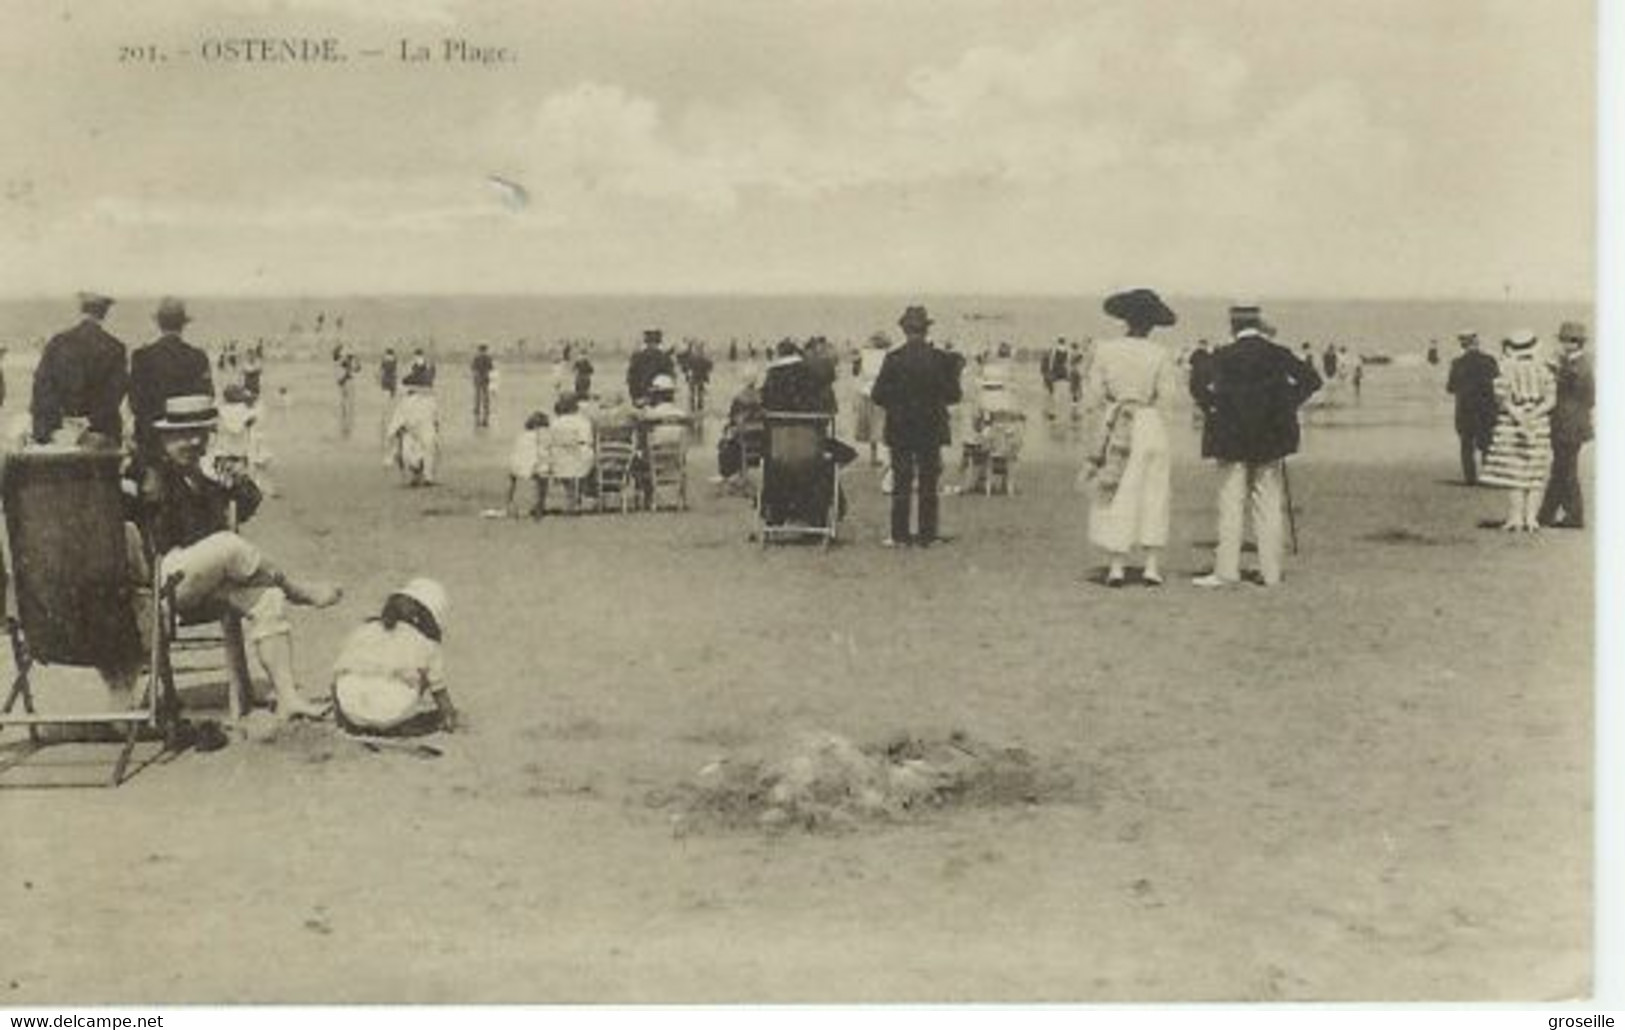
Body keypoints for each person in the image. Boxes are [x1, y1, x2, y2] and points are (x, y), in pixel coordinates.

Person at [131, 394, 339, 719]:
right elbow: (143, 501)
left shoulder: (200, 473)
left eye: (201, 433)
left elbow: (247, 507)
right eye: (183, 435)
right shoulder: (153, 471)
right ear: (164, 437)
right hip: (159, 582)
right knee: (227, 545)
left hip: (200, 578)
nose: (194, 442)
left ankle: (288, 697)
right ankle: (296, 588)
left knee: (266, 597)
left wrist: (235, 482)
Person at [1192, 303, 1321, 588]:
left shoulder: (1222, 355)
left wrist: (1212, 406)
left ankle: (1226, 571)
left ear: (1233, 325)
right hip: (1271, 435)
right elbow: (1313, 380)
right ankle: (1271, 572)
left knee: (1231, 503)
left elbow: (1197, 383)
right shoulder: (1277, 353)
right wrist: (1286, 403)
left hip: (1230, 435)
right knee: (1268, 503)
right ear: (1259, 323)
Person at [1078, 289, 1178, 587]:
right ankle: (1150, 565)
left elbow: (1093, 395)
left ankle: (1117, 566)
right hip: (1149, 422)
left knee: (1116, 489)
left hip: (1117, 418)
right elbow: (1168, 399)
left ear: (1125, 320)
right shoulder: (1160, 353)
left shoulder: (1106, 349)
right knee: (1153, 491)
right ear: (1152, 325)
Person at [870, 305, 962, 547]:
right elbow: (954, 395)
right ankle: (926, 535)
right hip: (930, 426)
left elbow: (878, 395)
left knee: (901, 480)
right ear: (926, 329)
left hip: (900, 426)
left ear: (904, 330)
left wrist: (898, 402)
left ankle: (899, 535)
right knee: (928, 482)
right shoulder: (940, 359)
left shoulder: (894, 359)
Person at [331, 579, 459, 737]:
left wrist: (342, 715)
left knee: (355, 669)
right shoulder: (427, 644)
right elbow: (440, 693)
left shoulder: (366, 629)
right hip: (390, 715)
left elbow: (338, 673)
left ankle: (358, 720)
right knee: (423, 671)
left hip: (351, 709)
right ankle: (394, 722)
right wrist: (449, 716)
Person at [31, 291, 128, 449]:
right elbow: (115, 394)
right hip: (101, 433)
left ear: (82, 309)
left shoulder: (57, 343)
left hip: (61, 433)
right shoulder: (115, 348)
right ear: (104, 312)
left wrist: (55, 427)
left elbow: (42, 388)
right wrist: (89, 422)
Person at [1479, 330, 1555, 532]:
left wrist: (1520, 419)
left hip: (1511, 425)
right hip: (1539, 424)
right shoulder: (1545, 370)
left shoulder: (1505, 370)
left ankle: (1515, 518)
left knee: (1515, 475)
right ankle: (1532, 519)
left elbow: (1502, 401)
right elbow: (1551, 400)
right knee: (1535, 474)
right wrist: (1533, 416)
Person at [130, 297, 214, 458]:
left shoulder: (142, 356)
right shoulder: (198, 356)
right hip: (189, 437)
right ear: (183, 325)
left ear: (159, 323)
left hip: (151, 437)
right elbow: (207, 396)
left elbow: (135, 403)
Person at [1537, 321, 1594, 529]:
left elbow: (1579, 392)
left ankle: (1572, 516)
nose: (1561, 343)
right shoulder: (1579, 363)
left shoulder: (1577, 366)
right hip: (1573, 424)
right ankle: (1547, 513)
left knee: (1565, 470)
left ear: (1574, 343)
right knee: (1562, 469)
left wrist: (1555, 371)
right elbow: (1590, 400)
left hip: (1568, 425)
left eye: (1564, 340)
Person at [1445, 330, 1500, 485]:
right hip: (1486, 409)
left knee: (1466, 447)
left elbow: (1450, 388)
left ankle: (1470, 479)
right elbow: (1498, 383)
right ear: (1477, 342)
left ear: (1462, 344)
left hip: (1465, 410)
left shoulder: (1457, 363)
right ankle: (1488, 476)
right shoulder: (1490, 360)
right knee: (1487, 444)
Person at [385, 367, 440, 486]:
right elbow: (435, 419)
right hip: (421, 431)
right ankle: (426, 476)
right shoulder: (429, 399)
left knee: (412, 454)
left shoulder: (408, 401)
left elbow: (397, 421)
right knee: (425, 452)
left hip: (415, 431)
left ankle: (422, 475)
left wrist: (393, 434)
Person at [547, 393, 596, 512]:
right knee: (588, 455)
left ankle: (572, 497)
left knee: (565, 464)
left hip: (559, 460)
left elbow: (550, 441)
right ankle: (580, 496)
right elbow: (587, 440)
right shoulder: (582, 422)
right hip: (578, 458)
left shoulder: (555, 423)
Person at [853, 332, 891, 466]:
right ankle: (882, 456)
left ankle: (873, 456)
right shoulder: (888, 355)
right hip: (882, 393)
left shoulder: (864, 355)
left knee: (870, 427)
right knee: (881, 425)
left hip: (866, 392)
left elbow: (856, 372)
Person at [506, 411, 550, 518]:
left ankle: (509, 502)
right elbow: (543, 454)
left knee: (511, 476)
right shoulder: (543, 437)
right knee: (544, 474)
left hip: (516, 467)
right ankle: (540, 505)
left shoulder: (521, 436)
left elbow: (516, 453)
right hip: (533, 468)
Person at [627, 329, 676, 406]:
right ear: (647, 343)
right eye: (650, 342)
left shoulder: (665, 358)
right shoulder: (638, 358)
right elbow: (632, 379)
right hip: (642, 397)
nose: (652, 345)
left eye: (655, 343)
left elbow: (670, 380)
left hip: (660, 398)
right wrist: (636, 397)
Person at [335, 346, 363, 439]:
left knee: (345, 407)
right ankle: (346, 429)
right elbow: (357, 369)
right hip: (346, 384)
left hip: (345, 384)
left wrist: (355, 360)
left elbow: (358, 369)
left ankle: (346, 429)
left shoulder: (343, 362)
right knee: (347, 407)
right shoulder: (342, 362)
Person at [470, 344, 495, 429]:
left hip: (478, 379)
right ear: (485, 350)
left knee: (477, 396)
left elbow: (472, 368)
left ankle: (477, 410)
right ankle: (486, 410)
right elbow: (491, 368)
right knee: (485, 396)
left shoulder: (476, 358)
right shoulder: (488, 358)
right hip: (485, 379)